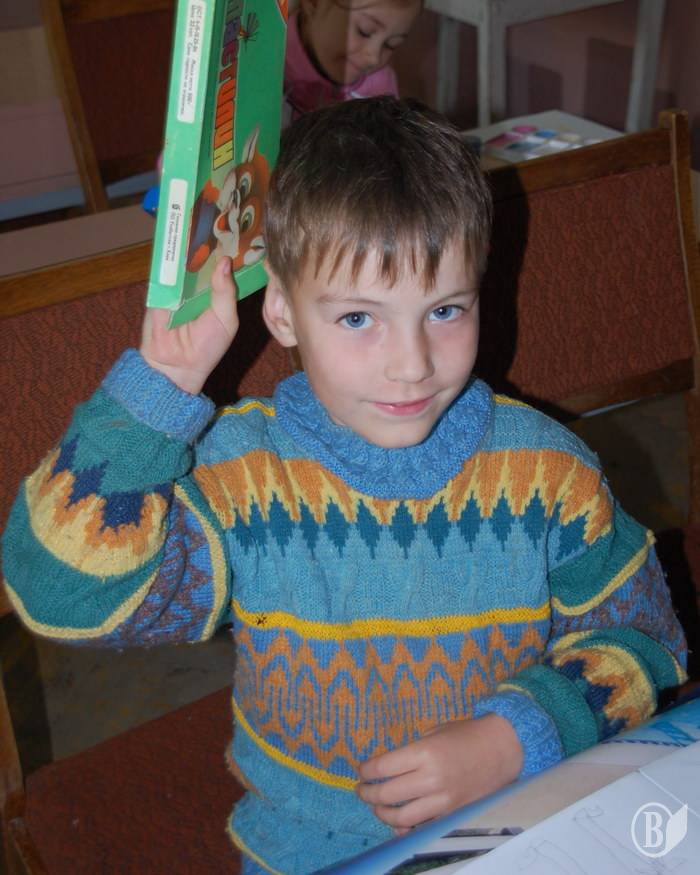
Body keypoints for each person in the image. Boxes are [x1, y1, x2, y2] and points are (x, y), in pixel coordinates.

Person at [2, 97, 687, 875]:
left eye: (445, 309)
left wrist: (517, 736)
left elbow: (646, 639)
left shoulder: (548, 471)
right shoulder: (240, 479)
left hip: (517, 823)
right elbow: (60, 595)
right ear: (282, 311)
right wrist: (160, 385)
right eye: (359, 318)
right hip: (302, 852)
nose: (412, 364)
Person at [283, 0, 421, 121]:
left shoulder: (380, 89)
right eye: (364, 31)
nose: (373, 59)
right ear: (315, 2)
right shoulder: (275, 50)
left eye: (391, 44)